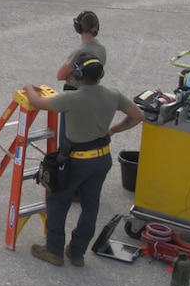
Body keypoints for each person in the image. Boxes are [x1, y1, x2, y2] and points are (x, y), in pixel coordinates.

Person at [20, 59, 144, 267]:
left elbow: (38, 102)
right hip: (102, 158)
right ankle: (77, 253)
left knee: (58, 201)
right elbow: (137, 115)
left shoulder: (71, 98)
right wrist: (112, 130)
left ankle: (54, 250)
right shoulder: (113, 94)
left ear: (78, 75)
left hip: (76, 161)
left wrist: (29, 88)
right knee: (90, 204)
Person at [55, 10, 104, 87]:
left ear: (78, 27)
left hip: (74, 93)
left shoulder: (80, 52)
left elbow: (60, 76)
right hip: (93, 91)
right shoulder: (102, 49)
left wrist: (73, 74)